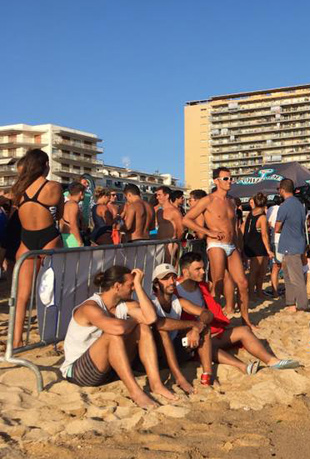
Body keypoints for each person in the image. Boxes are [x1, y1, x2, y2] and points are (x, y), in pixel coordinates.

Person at [60, 266, 175, 408]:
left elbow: (150, 318)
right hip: (79, 372)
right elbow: (118, 328)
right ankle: (136, 393)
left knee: (143, 327)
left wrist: (139, 286)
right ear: (117, 286)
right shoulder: (89, 307)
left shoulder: (123, 304)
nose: (133, 288)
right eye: (131, 285)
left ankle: (155, 384)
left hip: (107, 371)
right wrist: (134, 320)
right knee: (113, 335)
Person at [176, 252, 301, 371]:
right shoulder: (175, 291)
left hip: (208, 329)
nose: (203, 272)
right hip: (191, 337)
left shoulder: (201, 286)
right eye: (198, 269)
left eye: (203, 268)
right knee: (208, 346)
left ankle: (273, 361)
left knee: (245, 331)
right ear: (185, 272)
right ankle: (242, 366)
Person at [183, 167, 252, 326]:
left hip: (231, 245)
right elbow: (187, 219)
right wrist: (208, 232)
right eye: (226, 179)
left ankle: (246, 320)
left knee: (243, 283)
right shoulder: (208, 200)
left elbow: (233, 228)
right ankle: (214, 320)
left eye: (230, 178)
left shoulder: (231, 201)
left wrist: (239, 248)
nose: (230, 181)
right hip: (215, 244)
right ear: (216, 181)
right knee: (218, 281)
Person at [10, 149, 63, 348]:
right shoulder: (54, 187)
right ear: (45, 165)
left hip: (27, 238)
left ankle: (16, 340)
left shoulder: (18, 189)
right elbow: (59, 215)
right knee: (54, 290)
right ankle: (52, 336)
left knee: (22, 294)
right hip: (48, 236)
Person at [149, 263, 216, 391]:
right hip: (155, 355)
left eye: (173, 277)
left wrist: (197, 327)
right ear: (156, 284)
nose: (171, 282)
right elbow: (161, 323)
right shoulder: (151, 301)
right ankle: (179, 378)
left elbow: (207, 313)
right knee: (163, 331)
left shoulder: (178, 301)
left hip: (175, 350)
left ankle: (207, 376)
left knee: (205, 328)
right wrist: (193, 324)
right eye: (166, 278)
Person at [274, 178, 308, 313]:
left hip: (290, 244)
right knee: (289, 276)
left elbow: (277, 227)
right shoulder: (299, 204)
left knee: (294, 278)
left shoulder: (285, 206)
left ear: (282, 190)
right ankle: (290, 303)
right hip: (297, 243)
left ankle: (301, 305)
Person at [243, 192, 273, 300]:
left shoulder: (249, 214)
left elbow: (243, 229)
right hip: (258, 246)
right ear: (265, 205)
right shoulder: (262, 218)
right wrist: (269, 250)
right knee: (259, 272)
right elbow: (264, 235)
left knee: (254, 272)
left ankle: (255, 293)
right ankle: (255, 293)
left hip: (249, 244)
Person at [156, 189, 185, 263]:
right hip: (160, 244)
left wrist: (175, 242)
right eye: (157, 195)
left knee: (170, 266)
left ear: (167, 196)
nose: (157, 197)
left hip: (171, 243)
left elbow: (181, 230)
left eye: (159, 195)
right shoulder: (159, 212)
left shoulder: (174, 211)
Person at [60, 181, 86, 248]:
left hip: (64, 237)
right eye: (84, 192)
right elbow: (73, 225)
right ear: (81, 193)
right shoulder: (73, 205)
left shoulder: (66, 204)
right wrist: (80, 242)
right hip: (72, 238)